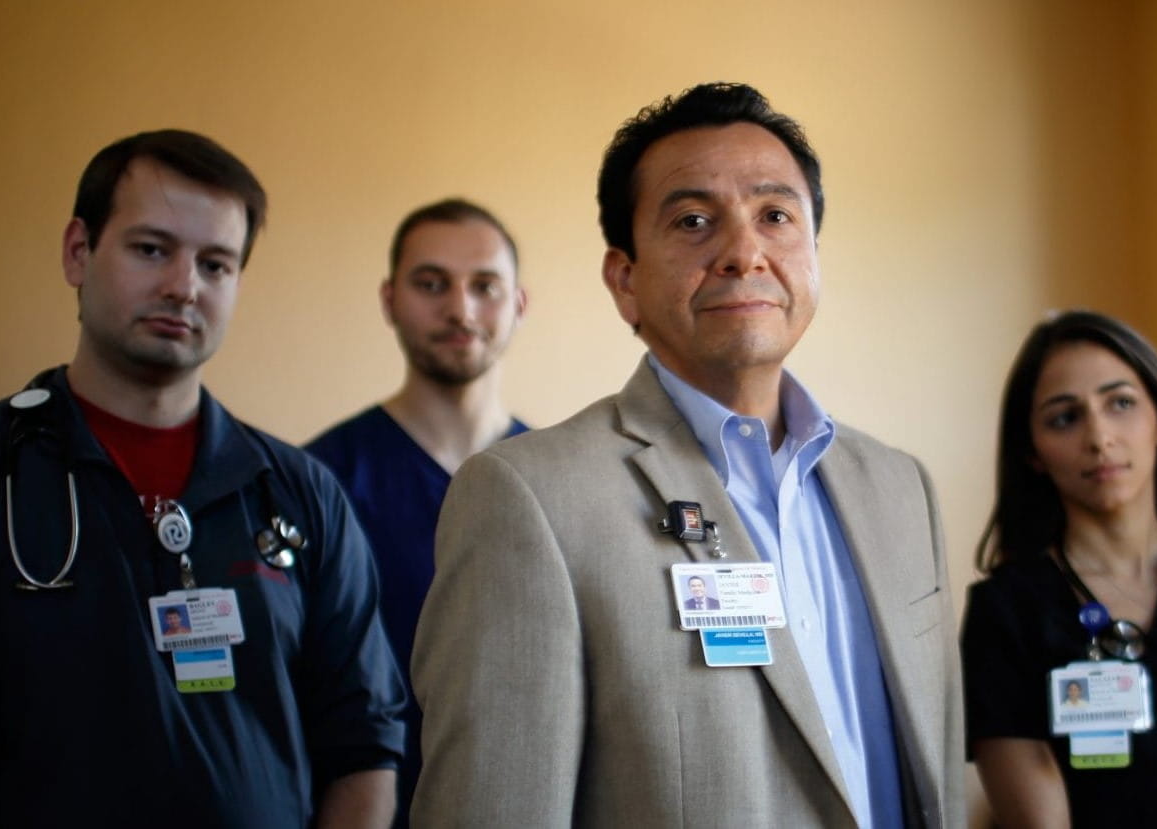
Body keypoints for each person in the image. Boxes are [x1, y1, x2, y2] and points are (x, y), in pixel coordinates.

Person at [412, 82, 964, 828]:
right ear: (625, 280)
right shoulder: (529, 498)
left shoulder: (901, 488)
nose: (743, 252)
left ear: (813, 255)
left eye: (775, 216)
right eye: (694, 221)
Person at [0, 130, 405, 828]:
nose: (183, 286)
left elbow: (364, 742)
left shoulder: (299, 493)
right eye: (152, 249)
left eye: (215, 264)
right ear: (77, 252)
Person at [306, 197, 528, 826]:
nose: (460, 309)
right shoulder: (319, 482)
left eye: (485, 286)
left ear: (519, 303)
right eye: (432, 284)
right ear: (389, 299)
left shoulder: (561, 483)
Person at [961, 310, 1157, 826]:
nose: (1099, 437)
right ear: (1033, 452)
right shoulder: (1008, 611)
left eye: (1121, 403)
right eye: (1065, 417)